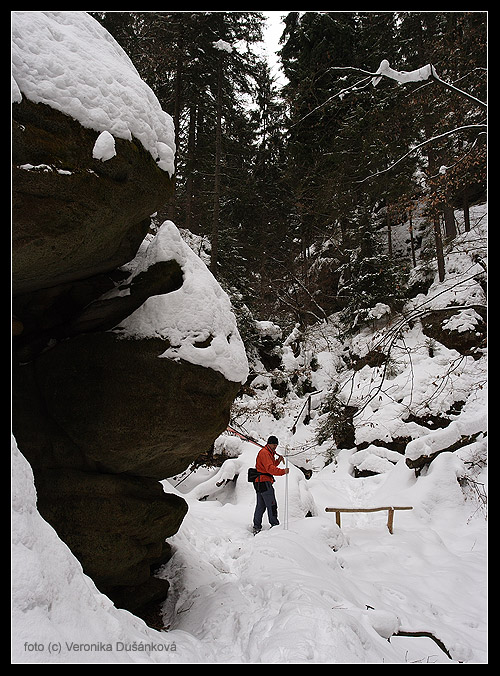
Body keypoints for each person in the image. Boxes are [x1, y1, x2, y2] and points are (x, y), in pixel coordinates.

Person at [252, 436, 289, 534]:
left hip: (259, 482)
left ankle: (256, 526)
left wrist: (278, 461)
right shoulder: (265, 453)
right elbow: (269, 469)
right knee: (272, 504)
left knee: (261, 505)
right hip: (264, 482)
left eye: (276, 445)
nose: (275, 447)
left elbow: (270, 465)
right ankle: (275, 525)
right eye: (273, 445)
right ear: (269, 443)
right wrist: (283, 471)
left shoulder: (268, 453)